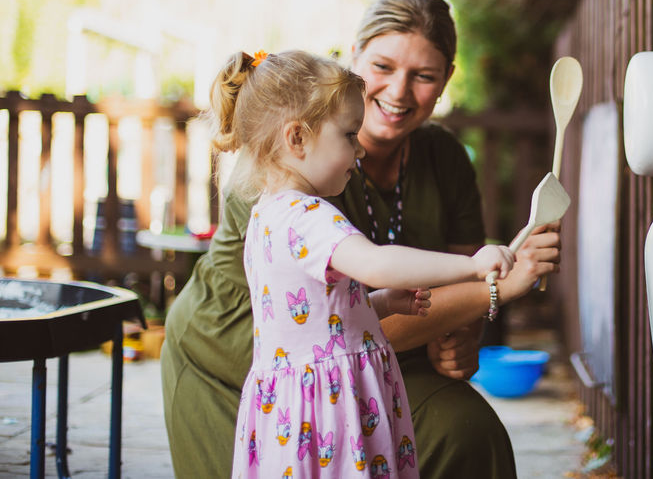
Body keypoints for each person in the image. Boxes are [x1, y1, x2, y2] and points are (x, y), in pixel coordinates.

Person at [162, 0, 562, 478]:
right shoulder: (294, 191)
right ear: (353, 58)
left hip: (346, 367)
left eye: (423, 76)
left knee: (468, 430)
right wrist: (492, 282)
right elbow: (360, 287)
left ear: (445, 82)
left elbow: (357, 313)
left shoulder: (434, 157)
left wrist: (464, 329)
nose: (397, 92)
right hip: (240, 362)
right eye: (383, 67)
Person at [200, 49, 514, 477]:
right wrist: (473, 266)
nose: (359, 151)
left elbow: (311, 318)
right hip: (329, 411)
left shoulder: (266, 215)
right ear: (297, 139)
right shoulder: (310, 216)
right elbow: (378, 263)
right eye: (349, 135)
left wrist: (379, 305)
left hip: (293, 410)